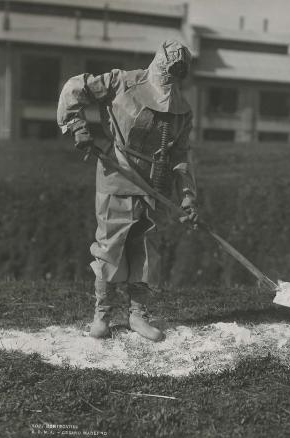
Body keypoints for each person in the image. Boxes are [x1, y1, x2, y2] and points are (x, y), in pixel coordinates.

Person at [56, 40, 198, 342]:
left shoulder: (182, 110)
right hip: (117, 169)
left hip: (154, 180)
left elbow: (181, 154)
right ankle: (103, 315)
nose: (169, 84)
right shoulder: (121, 81)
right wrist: (78, 128)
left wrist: (187, 195)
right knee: (110, 244)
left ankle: (137, 315)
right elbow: (73, 88)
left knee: (146, 247)